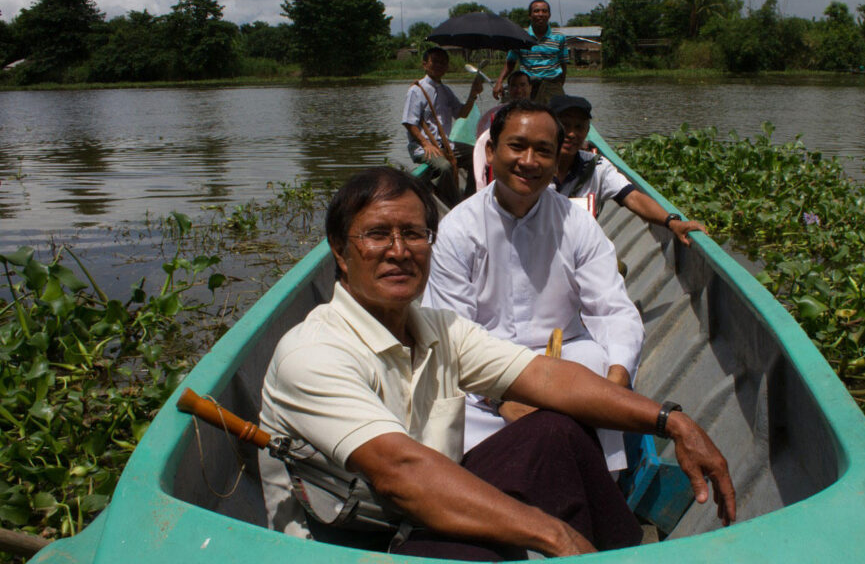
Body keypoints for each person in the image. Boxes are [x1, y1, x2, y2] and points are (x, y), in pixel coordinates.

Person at [259, 166, 736, 561]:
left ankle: (619, 554)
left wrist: (669, 420)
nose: (399, 251)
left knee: (556, 431)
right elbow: (400, 473)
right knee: (497, 547)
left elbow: (547, 377)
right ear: (340, 252)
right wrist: (551, 533)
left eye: (414, 235)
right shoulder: (313, 354)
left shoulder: (438, 328)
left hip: (426, 508)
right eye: (377, 235)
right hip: (361, 543)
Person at [422, 100, 644, 472]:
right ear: (491, 151)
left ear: (558, 160)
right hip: (483, 371)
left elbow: (612, 309)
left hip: (567, 357)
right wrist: (502, 401)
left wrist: (616, 382)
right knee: (444, 404)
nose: (529, 161)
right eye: (517, 146)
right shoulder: (459, 229)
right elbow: (452, 333)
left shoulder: (577, 223)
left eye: (543, 151)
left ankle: (598, 484)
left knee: (600, 364)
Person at [551, 95, 708, 244]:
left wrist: (672, 222)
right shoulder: (532, 166)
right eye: (565, 125)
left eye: (579, 127)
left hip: (577, 249)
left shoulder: (596, 167)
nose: (572, 133)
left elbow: (633, 197)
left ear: (587, 131)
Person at [402, 47, 483, 208]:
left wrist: (473, 94)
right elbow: (409, 122)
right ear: (425, 64)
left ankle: (470, 198)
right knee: (445, 167)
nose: (439, 65)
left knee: (477, 155)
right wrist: (426, 144)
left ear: (447, 67)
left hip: (446, 144)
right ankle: (455, 205)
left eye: (443, 63)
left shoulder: (445, 90)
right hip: (423, 147)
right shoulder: (416, 90)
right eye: (435, 61)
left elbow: (462, 113)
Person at [492, 0, 568, 106]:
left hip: (552, 85)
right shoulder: (520, 36)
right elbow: (510, 63)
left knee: (558, 116)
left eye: (544, 11)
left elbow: (563, 65)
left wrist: (558, 85)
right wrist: (499, 82)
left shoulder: (559, 37)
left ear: (549, 15)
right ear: (530, 15)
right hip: (526, 86)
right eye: (536, 11)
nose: (540, 14)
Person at [476, 70, 531, 137]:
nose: (518, 90)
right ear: (509, 89)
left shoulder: (539, 115)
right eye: (514, 86)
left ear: (530, 87)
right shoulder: (498, 115)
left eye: (522, 85)